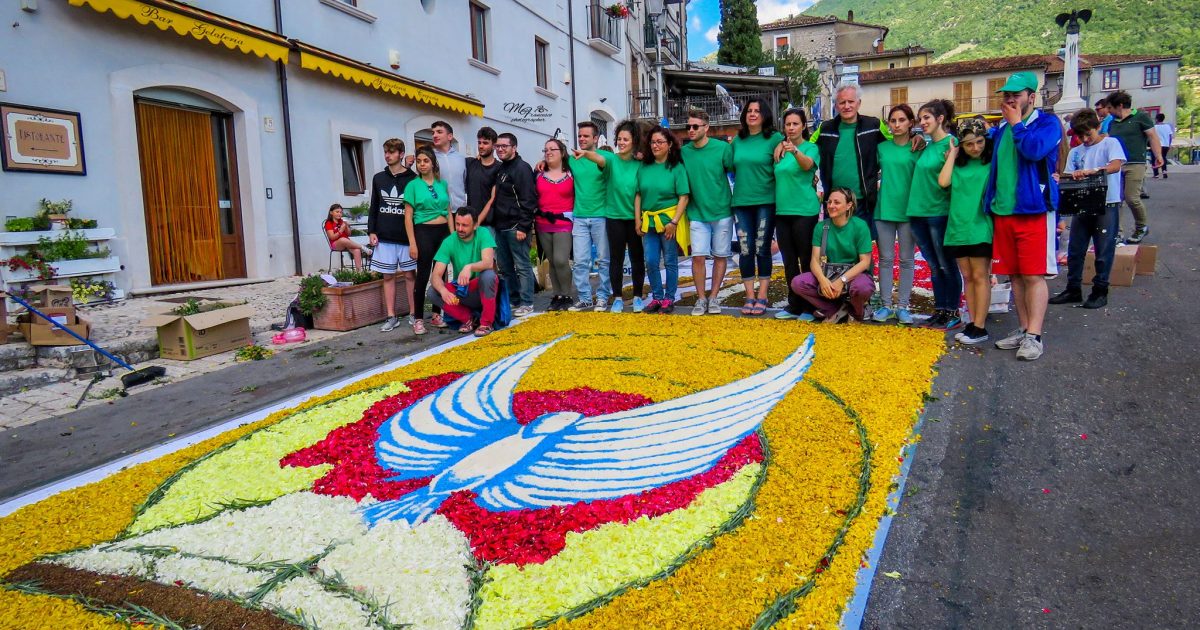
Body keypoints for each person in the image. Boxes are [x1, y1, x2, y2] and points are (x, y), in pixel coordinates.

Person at [982, 71, 1062, 361]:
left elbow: (1033, 151)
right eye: (1006, 94)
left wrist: (1016, 124)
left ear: (1032, 96)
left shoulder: (1048, 123)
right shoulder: (1003, 129)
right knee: (1015, 275)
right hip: (1004, 211)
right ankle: (1024, 328)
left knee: (1033, 275)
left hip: (1033, 211)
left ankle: (1035, 335)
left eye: (1017, 94)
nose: (1010, 99)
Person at [1049, 108, 1126, 309]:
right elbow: (1068, 174)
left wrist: (1096, 171)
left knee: (1103, 249)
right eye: (1080, 135)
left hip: (1106, 203)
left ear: (1098, 127)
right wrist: (1063, 177)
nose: (1085, 139)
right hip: (1083, 203)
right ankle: (1073, 288)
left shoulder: (1110, 143)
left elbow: (1116, 165)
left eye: (1088, 134)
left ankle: (1100, 290)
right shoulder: (1076, 152)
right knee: (1076, 248)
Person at [907, 99, 963, 331]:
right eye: (921, 119)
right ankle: (940, 309)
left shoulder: (952, 145)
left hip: (938, 212)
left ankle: (952, 310)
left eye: (926, 118)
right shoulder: (927, 145)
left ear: (940, 119)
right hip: (918, 212)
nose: (922, 123)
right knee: (934, 264)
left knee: (946, 264)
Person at [938, 118, 994, 344]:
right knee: (968, 277)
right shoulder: (958, 164)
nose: (975, 148)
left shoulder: (990, 163)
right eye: (969, 144)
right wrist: (952, 154)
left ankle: (980, 326)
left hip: (980, 226)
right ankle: (972, 322)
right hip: (958, 227)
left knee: (981, 276)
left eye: (979, 142)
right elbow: (943, 182)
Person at [731, 98, 783, 316]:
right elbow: (725, 166)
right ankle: (749, 296)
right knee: (745, 249)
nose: (752, 114)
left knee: (762, 248)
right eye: (749, 111)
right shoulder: (737, 141)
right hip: (741, 202)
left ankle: (762, 295)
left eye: (757, 111)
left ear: (765, 115)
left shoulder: (775, 138)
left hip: (765, 201)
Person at [791, 188, 875, 322]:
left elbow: (865, 262)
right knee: (798, 283)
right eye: (829, 202)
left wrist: (842, 281)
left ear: (849, 205)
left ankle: (856, 312)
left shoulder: (860, 226)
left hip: (853, 276)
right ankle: (834, 309)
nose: (831, 206)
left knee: (862, 287)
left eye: (836, 202)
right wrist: (822, 280)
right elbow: (814, 260)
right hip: (828, 274)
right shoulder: (821, 227)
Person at [680, 109, 734, 316]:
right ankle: (701, 299)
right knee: (698, 257)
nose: (691, 130)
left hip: (722, 210)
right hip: (696, 212)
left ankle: (714, 297)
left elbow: (735, 173)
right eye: (688, 127)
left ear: (706, 128)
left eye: (695, 126)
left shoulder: (722, 148)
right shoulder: (684, 152)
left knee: (720, 256)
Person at [771, 107, 821, 321]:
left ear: (803, 126)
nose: (791, 127)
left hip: (804, 211)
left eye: (795, 124)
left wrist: (794, 150)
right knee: (788, 260)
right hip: (782, 211)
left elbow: (808, 165)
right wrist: (782, 147)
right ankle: (794, 304)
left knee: (806, 259)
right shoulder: (779, 149)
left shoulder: (810, 148)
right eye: (788, 124)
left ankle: (811, 305)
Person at [560, 121, 615, 312]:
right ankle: (585, 298)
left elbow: (617, 166)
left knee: (603, 259)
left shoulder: (607, 156)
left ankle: (602, 296)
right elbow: (554, 164)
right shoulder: (572, 159)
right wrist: (542, 162)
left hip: (602, 215)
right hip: (580, 216)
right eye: (580, 136)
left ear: (595, 138)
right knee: (581, 261)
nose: (582, 139)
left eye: (586, 136)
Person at [635, 126, 690, 314]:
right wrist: (638, 221)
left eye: (660, 142)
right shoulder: (644, 167)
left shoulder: (676, 167)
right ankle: (657, 297)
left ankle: (669, 298)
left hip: (669, 221)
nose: (655, 145)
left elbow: (684, 196)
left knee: (669, 261)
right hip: (649, 221)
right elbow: (638, 195)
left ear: (670, 144)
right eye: (652, 142)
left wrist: (674, 222)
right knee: (650, 261)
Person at [873, 104, 920, 325]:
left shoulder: (918, 147)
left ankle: (902, 306)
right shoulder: (881, 148)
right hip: (884, 209)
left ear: (911, 122)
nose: (897, 124)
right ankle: (885, 305)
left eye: (902, 120)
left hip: (909, 210)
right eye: (893, 121)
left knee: (907, 260)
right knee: (885, 259)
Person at [485, 132, 537, 317]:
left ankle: (527, 302)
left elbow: (529, 200)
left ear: (514, 147)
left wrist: (524, 226)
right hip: (501, 227)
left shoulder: (522, 168)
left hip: (516, 227)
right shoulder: (502, 168)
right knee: (506, 267)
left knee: (522, 265)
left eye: (504, 146)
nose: (500, 149)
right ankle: (515, 300)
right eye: (498, 146)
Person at [368, 138, 417, 333]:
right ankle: (391, 316)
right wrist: (372, 231)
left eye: (391, 152)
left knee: (409, 275)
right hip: (384, 236)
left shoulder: (413, 179)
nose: (387, 155)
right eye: (385, 152)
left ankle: (414, 313)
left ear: (401, 154)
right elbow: (374, 206)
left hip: (406, 236)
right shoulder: (378, 178)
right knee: (387, 277)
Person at [428, 208, 499, 337]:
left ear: (475, 225)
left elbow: (488, 263)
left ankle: (487, 322)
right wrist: (443, 291)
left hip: (483, 289)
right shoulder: (449, 241)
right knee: (433, 291)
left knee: (488, 275)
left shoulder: (483, 233)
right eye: (457, 224)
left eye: (465, 225)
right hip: (463, 291)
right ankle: (468, 319)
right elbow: (435, 276)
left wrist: (469, 267)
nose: (460, 229)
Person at [403, 146, 451, 335]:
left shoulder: (443, 184)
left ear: (433, 163)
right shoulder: (412, 185)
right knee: (423, 274)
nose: (422, 164)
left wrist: (453, 236)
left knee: (441, 274)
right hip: (423, 230)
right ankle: (419, 318)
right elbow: (408, 216)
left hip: (443, 232)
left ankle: (437, 314)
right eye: (419, 161)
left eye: (426, 161)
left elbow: (448, 211)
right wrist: (412, 243)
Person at [1106, 91, 1163, 243]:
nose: (1109, 111)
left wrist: (1158, 156)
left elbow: (1152, 136)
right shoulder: (1112, 123)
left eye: (1110, 107)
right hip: (1117, 164)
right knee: (1116, 200)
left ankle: (1141, 227)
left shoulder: (1141, 118)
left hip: (1135, 163)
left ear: (1120, 106)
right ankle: (1117, 232)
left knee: (1131, 197)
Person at [603, 120, 647, 312]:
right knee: (616, 258)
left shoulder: (641, 163)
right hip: (614, 216)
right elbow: (596, 157)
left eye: (625, 139)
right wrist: (585, 153)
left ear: (634, 141)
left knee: (637, 257)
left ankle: (638, 296)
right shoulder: (612, 159)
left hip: (634, 217)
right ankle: (618, 298)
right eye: (619, 139)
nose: (621, 142)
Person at [536, 138, 575, 310]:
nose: (548, 152)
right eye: (545, 150)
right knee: (551, 260)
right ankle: (557, 295)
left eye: (553, 149)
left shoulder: (571, 172)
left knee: (561, 259)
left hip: (564, 221)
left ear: (562, 152)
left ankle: (567, 294)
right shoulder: (537, 173)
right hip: (542, 221)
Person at [466, 127, 502, 229]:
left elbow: (493, 199)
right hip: (470, 222)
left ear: (494, 146)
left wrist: (477, 222)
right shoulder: (470, 163)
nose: (481, 146)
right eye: (479, 142)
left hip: (490, 225)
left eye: (485, 143)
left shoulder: (499, 168)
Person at [431, 121, 467, 212]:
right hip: (439, 211)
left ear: (450, 136)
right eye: (433, 133)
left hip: (460, 211)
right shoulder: (430, 158)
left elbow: (465, 183)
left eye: (439, 132)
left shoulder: (461, 158)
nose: (434, 135)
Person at [324, 203, 367, 271]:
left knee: (357, 250)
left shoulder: (342, 221)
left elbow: (349, 234)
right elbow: (332, 237)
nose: (339, 214)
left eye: (341, 212)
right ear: (331, 212)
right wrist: (341, 230)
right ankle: (362, 247)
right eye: (337, 212)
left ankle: (359, 272)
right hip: (336, 244)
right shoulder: (329, 223)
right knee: (343, 239)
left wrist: (346, 227)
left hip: (347, 243)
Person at [1152, 113, 1174, 179]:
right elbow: (1170, 136)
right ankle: (1164, 171)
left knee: (1155, 158)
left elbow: (1152, 136)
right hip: (1166, 145)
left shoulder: (1155, 127)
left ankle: (1156, 174)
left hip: (1157, 145)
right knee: (1163, 158)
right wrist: (1169, 144)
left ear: (1156, 119)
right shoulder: (1168, 126)